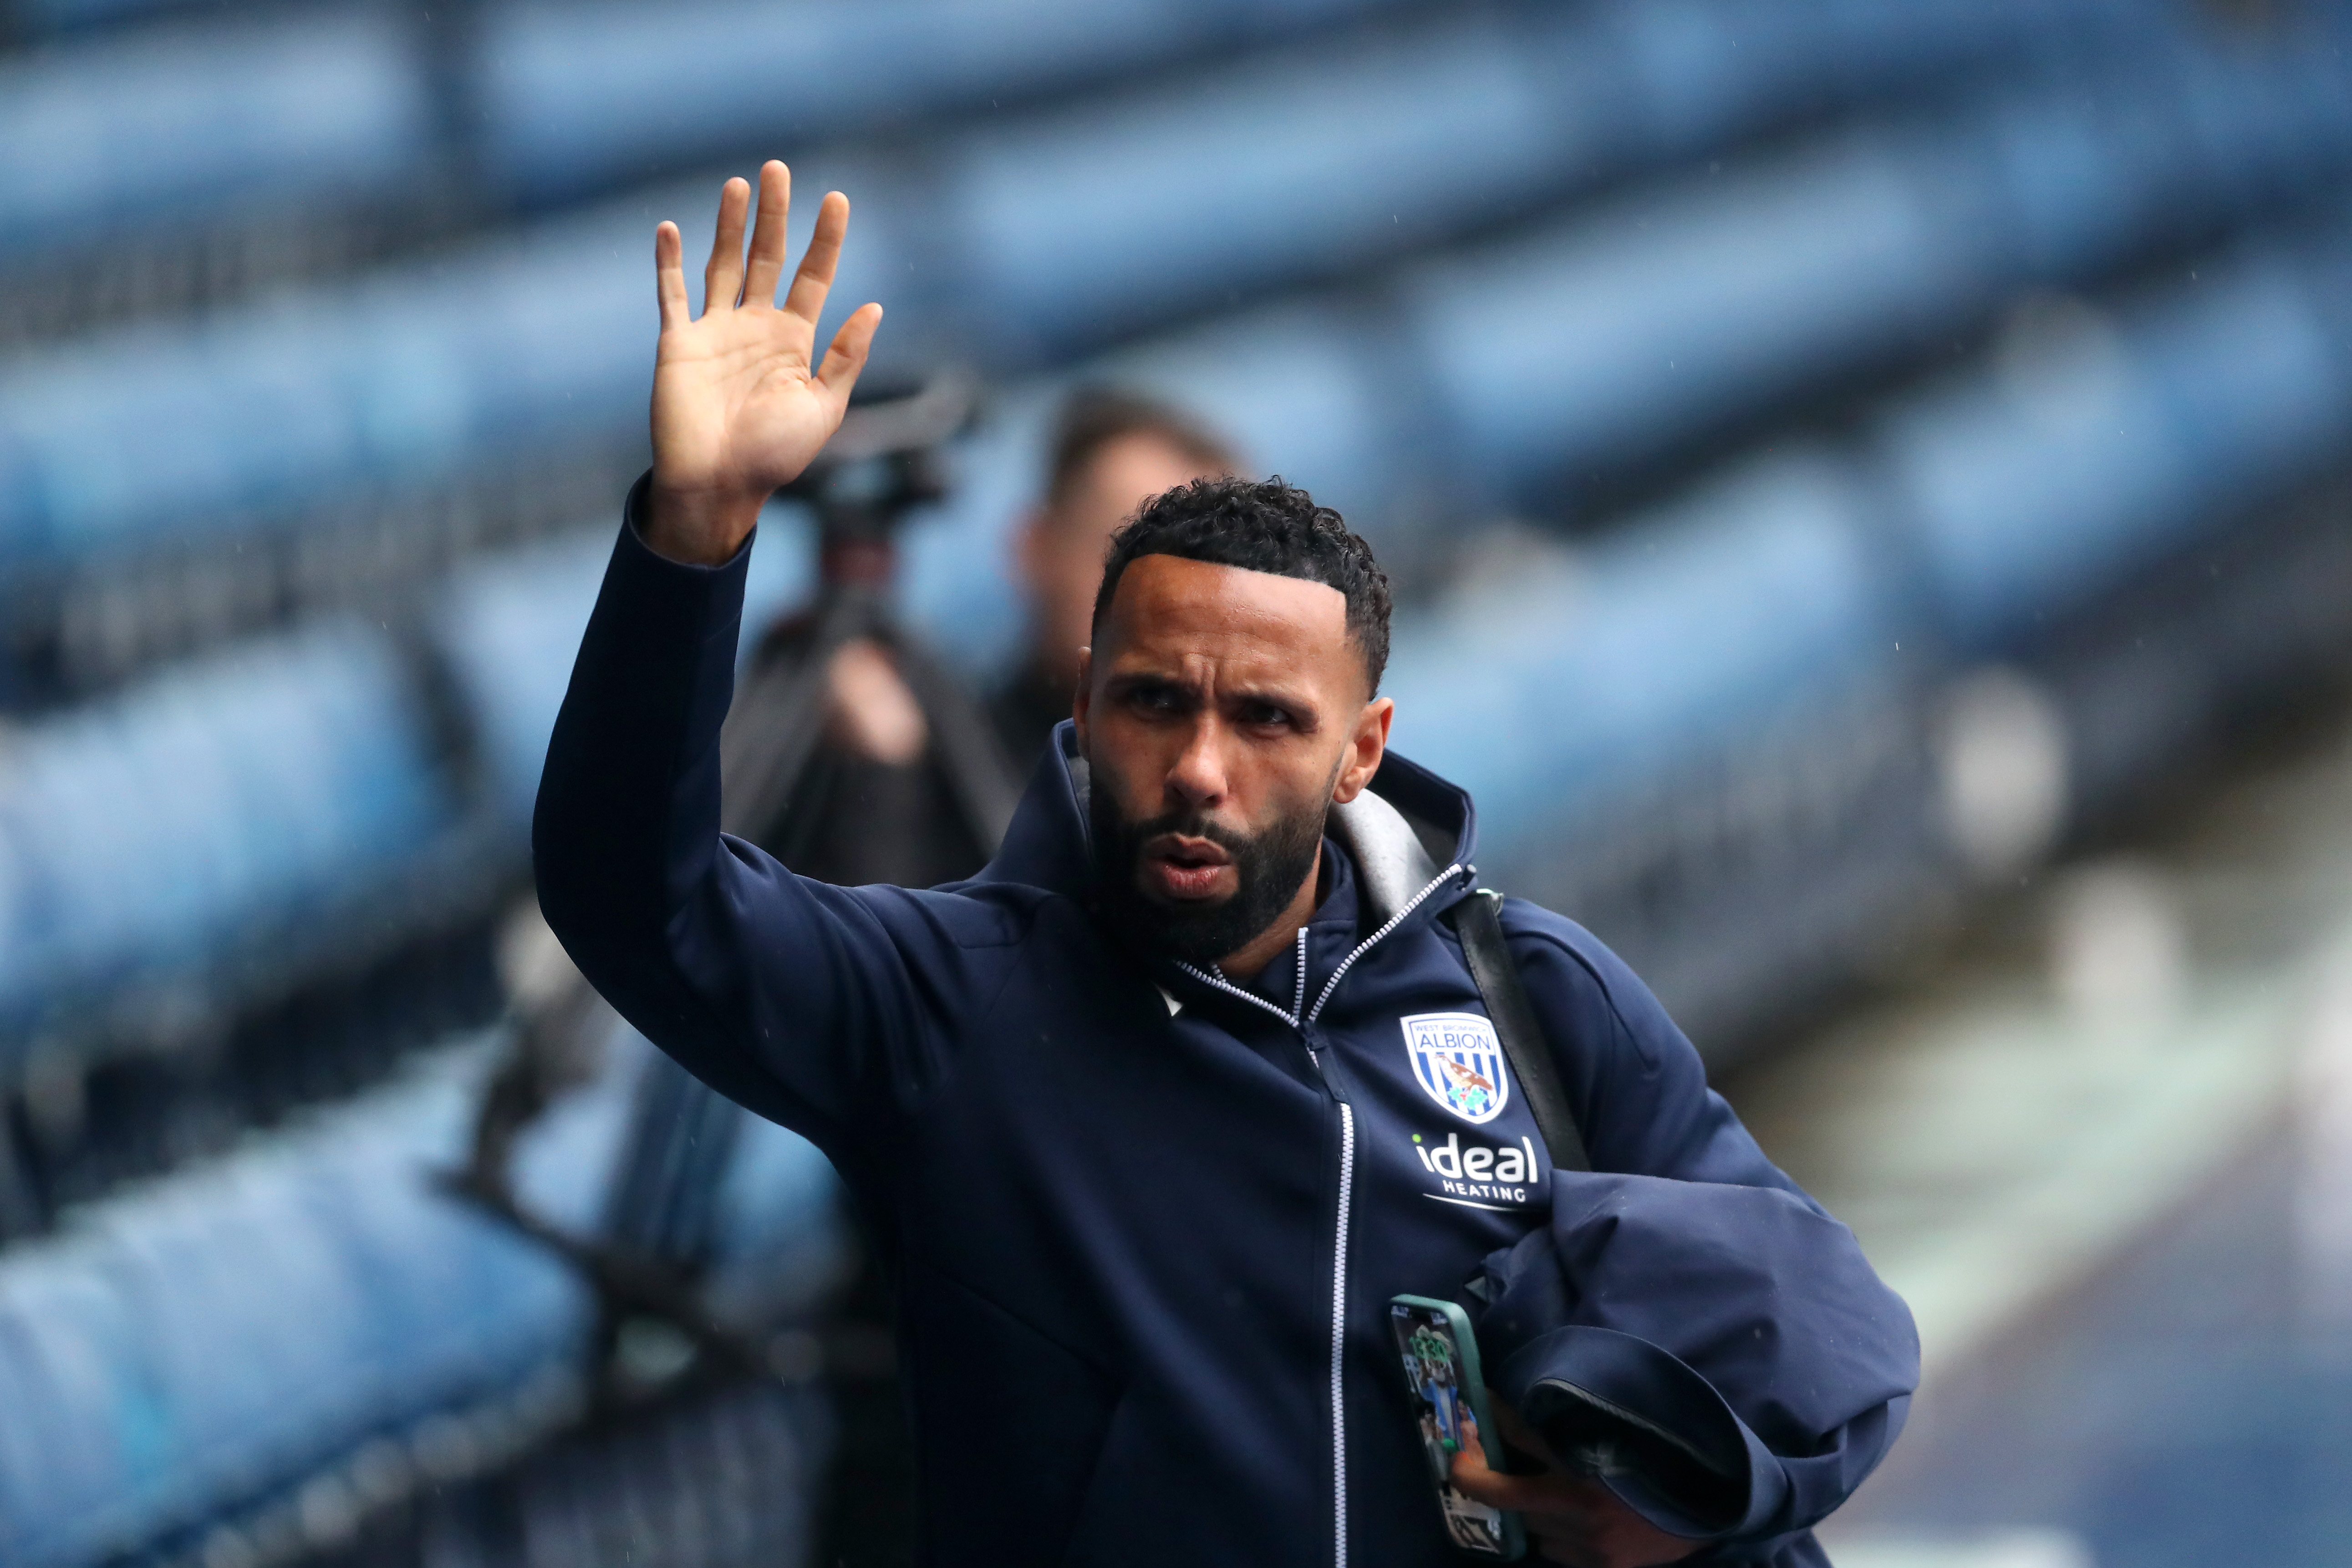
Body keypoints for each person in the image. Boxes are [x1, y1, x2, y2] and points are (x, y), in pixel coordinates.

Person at [535, 162, 1914, 1567]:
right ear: (1083, 701)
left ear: (1362, 747)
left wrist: (1694, 1502)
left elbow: (1815, 1316)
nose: (1201, 763)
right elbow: (631, 891)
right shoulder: (949, 1005)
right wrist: (692, 535)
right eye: (1153, 701)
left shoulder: (1530, 994)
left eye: (1266, 717)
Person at [987, 387, 1237, 765]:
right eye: (1130, 554)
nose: (1171, 600)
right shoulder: (937, 777)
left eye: (1212, 569)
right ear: (1034, 549)